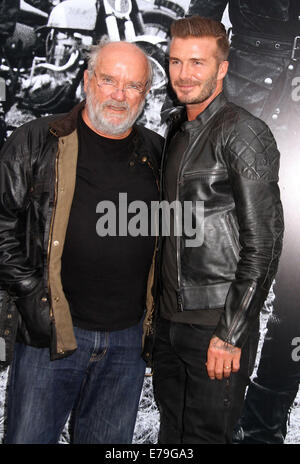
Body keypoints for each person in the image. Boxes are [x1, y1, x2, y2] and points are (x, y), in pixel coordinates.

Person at [0, 38, 163, 444]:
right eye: (109, 80)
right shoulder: (35, 141)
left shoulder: (158, 154)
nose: (119, 96)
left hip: (127, 343)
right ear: (87, 81)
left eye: (133, 86)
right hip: (50, 336)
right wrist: (30, 293)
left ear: (146, 94)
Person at [152, 16, 284, 444]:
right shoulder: (177, 129)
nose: (183, 75)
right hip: (170, 324)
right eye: (175, 62)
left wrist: (230, 333)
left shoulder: (245, 132)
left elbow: (264, 244)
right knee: (172, 439)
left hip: (215, 326)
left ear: (222, 69)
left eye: (197, 63)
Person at [186, 0, 300, 444]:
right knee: (226, 285)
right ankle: (214, 426)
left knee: (296, 296)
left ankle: (263, 428)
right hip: (245, 121)